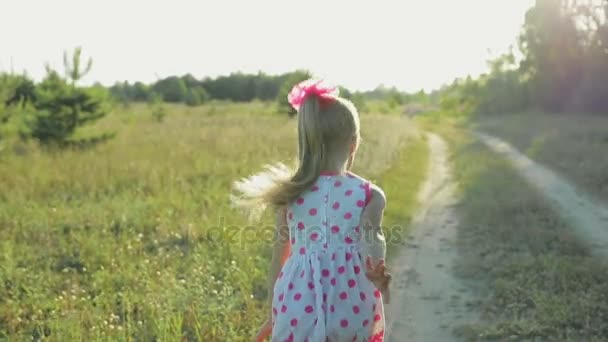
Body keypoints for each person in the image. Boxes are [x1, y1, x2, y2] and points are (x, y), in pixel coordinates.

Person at [232, 79, 391, 342]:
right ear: (353, 144)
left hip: (296, 302)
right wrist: (379, 274)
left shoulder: (290, 194)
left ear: (306, 140)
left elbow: (279, 259)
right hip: (351, 301)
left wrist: (274, 312)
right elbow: (372, 241)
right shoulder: (369, 195)